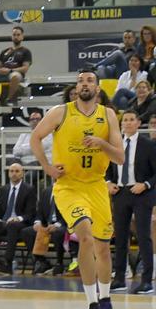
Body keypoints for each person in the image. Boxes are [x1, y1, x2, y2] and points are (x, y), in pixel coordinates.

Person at [30, 69, 124, 309]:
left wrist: (101, 143)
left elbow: (120, 158)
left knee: (103, 248)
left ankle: (105, 299)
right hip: (68, 187)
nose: (84, 84)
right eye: (80, 80)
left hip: (96, 187)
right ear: (76, 87)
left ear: (98, 89)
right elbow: (35, 137)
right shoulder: (60, 112)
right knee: (85, 237)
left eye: (90, 80)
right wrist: (47, 167)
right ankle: (92, 301)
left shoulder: (108, 115)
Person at [105, 111, 156, 293]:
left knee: (143, 237)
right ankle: (119, 278)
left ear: (138, 123)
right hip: (120, 194)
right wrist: (109, 182)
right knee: (120, 237)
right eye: (124, 120)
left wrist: (146, 184)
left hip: (141, 193)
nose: (127, 123)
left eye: (131, 119)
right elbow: (107, 169)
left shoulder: (148, 145)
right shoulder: (114, 145)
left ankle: (147, 280)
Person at [21, 184, 67, 275]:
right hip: (47, 225)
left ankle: (59, 264)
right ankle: (41, 261)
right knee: (27, 232)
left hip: (63, 224)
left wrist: (57, 225)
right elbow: (40, 212)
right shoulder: (46, 191)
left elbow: (69, 213)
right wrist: (37, 222)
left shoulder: (69, 191)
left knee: (58, 233)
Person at [0, 26, 33, 104]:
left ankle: (9, 99)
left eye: (18, 35)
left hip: (16, 74)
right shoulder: (5, 51)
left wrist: (10, 70)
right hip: (3, 73)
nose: (16, 37)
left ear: (22, 37)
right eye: (14, 35)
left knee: (14, 76)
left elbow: (25, 68)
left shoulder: (26, 51)